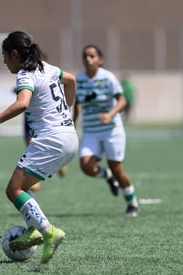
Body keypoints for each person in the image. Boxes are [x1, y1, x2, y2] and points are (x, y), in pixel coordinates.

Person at [0, 31, 78, 264]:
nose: (4, 61)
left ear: (15, 54)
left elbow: (22, 103)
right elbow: (71, 80)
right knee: (22, 187)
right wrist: (65, 109)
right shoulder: (47, 68)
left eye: (4, 56)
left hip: (51, 139)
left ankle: (48, 232)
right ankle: (34, 228)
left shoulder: (25, 73)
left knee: (13, 190)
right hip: (69, 137)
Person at [73, 45, 139, 217]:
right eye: (85, 56)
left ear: (100, 60)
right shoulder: (78, 79)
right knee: (86, 166)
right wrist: (72, 122)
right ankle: (108, 176)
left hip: (111, 130)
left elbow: (122, 100)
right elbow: (78, 102)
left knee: (117, 169)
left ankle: (132, 203)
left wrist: (110, 114)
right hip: (90, 131)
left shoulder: (108, 78)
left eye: (92, 56)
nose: (89, 59)